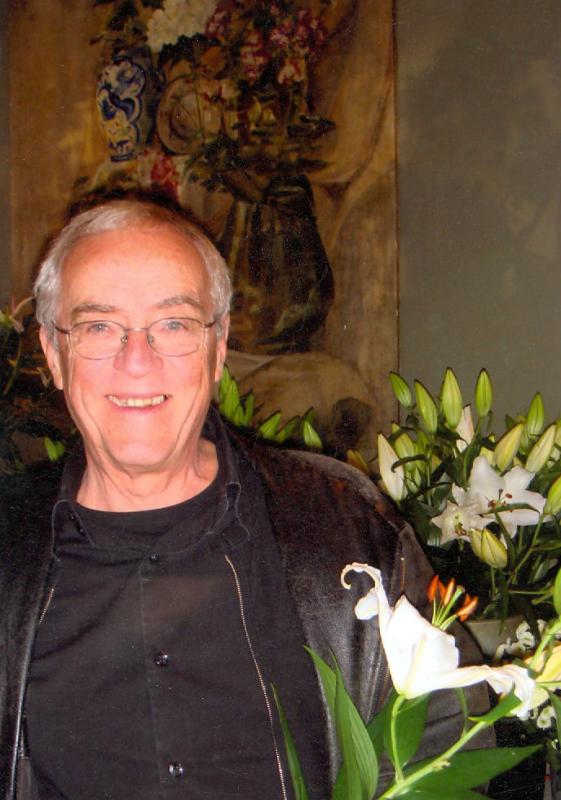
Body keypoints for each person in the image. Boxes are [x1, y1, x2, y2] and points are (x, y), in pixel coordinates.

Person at [0, 199, 489, 800]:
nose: (137, 360)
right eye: (99, 326)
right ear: (54, 353)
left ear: (218, 347)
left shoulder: (343, 523)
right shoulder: (8, 551)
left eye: (174, 324)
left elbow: (449, 747)